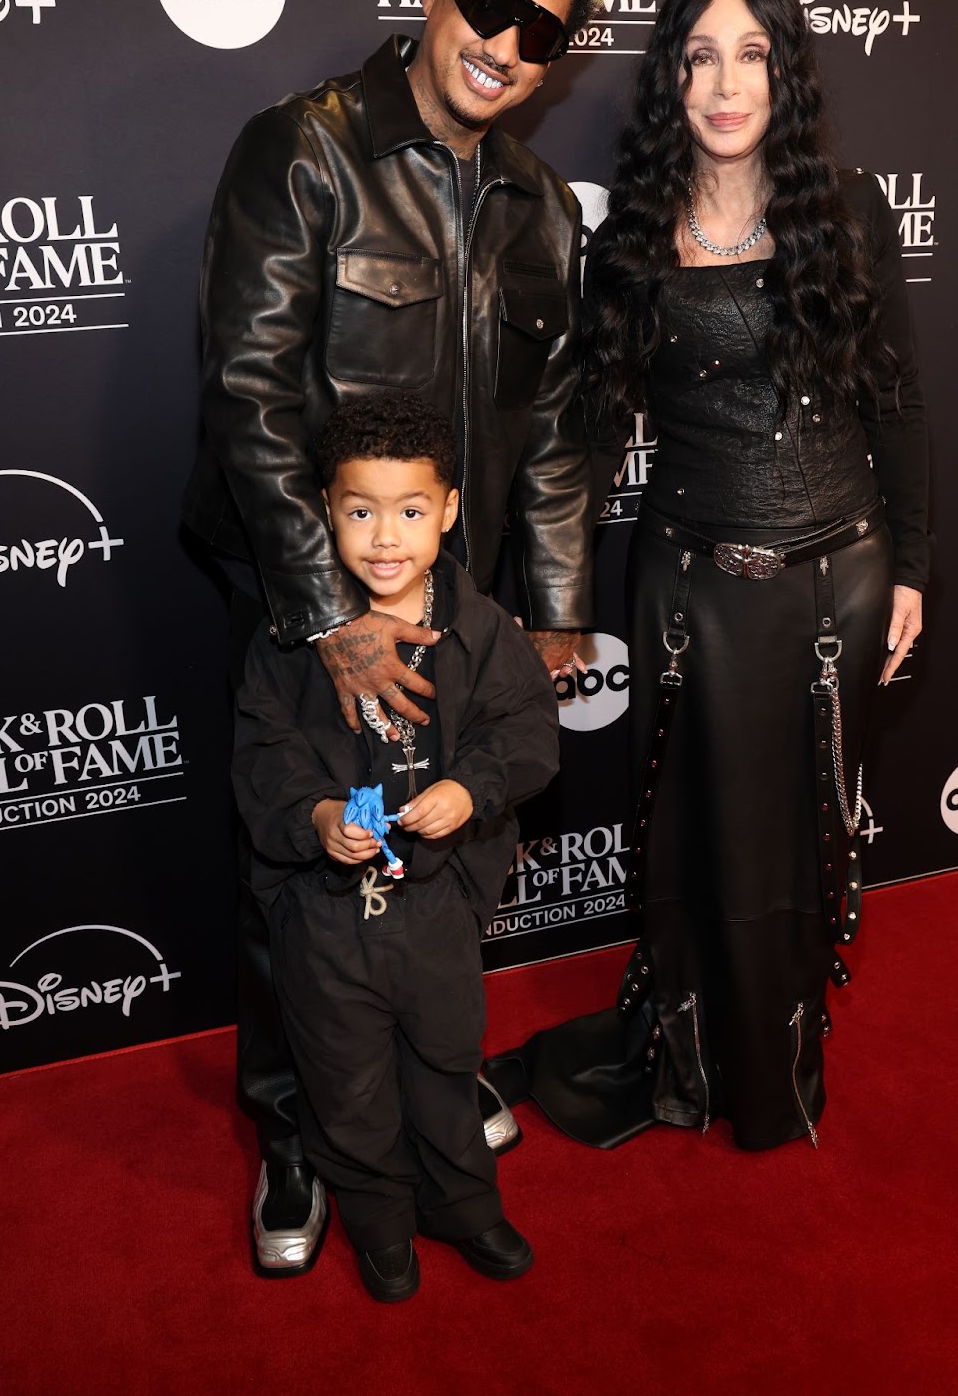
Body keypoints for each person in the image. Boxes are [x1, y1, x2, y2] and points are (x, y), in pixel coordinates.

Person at [180, 0, 607, 1274]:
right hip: (309, 594)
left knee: (438, 852)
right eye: (487, 3)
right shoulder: (304, 151)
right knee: (299, 877)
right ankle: (299, 1128)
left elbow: (553, 433)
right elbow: (246, 395)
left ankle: (420, 1085)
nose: (504, 43)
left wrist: (545, 608)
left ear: (557, 63)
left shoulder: (544, 207)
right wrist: (322, 616)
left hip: (454, 610)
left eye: (541, 33)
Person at [493, 0, 930, 1152]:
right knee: (689, 834)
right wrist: (552, 593)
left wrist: (915, 567)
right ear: (670, 81)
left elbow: (895, 399)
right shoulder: (630, 236)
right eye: (699, 58)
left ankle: (773, 1065)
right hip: (687, 585)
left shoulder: (845, 208)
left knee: (799, 834)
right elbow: (579, 433)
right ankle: (690, 1055)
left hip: (836, 577)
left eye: (751, 55)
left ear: (783, 74)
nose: (725, 83)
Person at [233, 393, 560, 1301]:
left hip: (438, 910)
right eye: (360, 511)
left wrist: (470, 788)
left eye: (411, 511)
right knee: (348, 1087)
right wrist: (318, 819)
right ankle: (378, 1221)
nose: (385, 538)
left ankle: (462, 1203)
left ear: (450, 509)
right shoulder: (287, 643)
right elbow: (263, 759)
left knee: (448, 1066)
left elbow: (528, 731)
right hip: (324, 922)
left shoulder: (482, 628)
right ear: (324, 510)